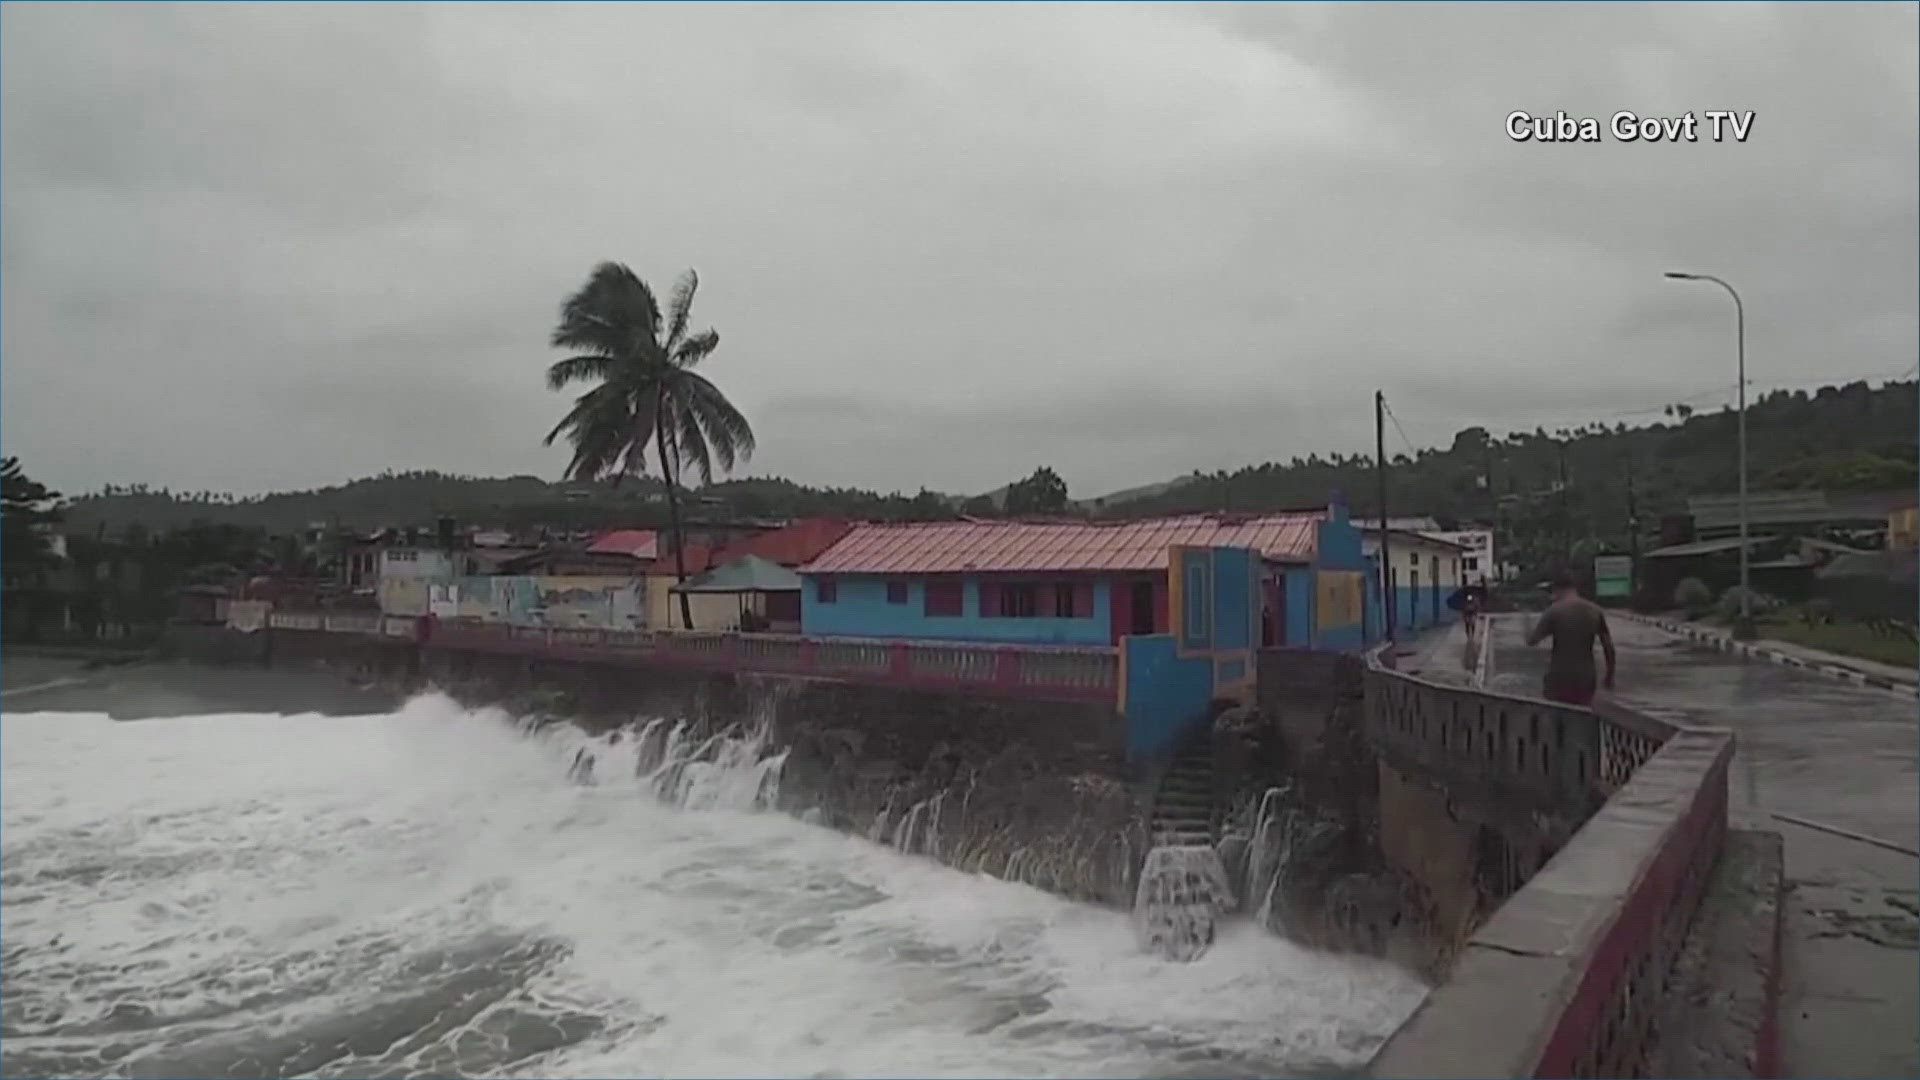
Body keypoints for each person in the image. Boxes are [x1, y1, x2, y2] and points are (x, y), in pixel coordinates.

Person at [1525, 573, 1616, 706]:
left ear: (1557, 589)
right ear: (1574, 588)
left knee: (1557, 718)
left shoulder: (1554, 611)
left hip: (1559, 677)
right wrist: (1609, 676)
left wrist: (1526, 623)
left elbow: (1532, 641)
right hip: (1586, 678)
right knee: (1583, 715)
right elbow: (1609, 647)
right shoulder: (1595, 610)